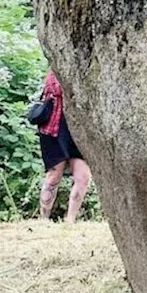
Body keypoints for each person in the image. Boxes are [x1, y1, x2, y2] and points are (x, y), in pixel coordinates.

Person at [37, 70, 92, 223]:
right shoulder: (55, 72)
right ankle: (44, 219)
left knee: (82, 177)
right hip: (54, 130)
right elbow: (55, 89)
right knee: (54, 177)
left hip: (81, 132)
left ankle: (70, 221)